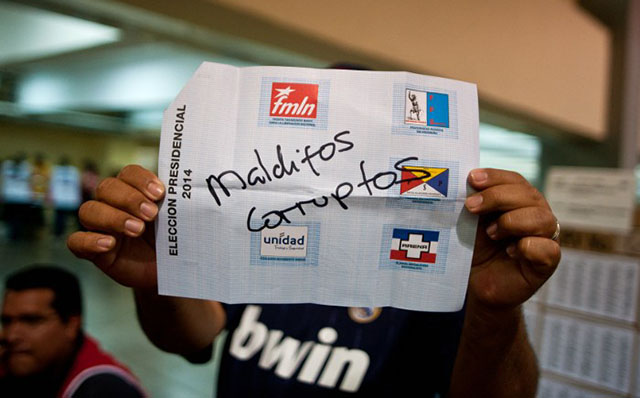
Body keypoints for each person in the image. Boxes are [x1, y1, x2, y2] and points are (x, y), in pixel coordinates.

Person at [68, 164, 560, 397]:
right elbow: (195, 336)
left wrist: (496, 311)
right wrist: (160, 278)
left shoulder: (431, 266)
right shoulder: (266, 235)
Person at [0, 265, 146, 397]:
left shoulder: (106, 389)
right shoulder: (16, 369)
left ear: (71, 325)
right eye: (6, 321)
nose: (11, 336)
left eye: (31, 321)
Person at [49, 157, 81, 237]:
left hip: (62, 198)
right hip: (66, 198)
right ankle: (60, 233)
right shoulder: (73, 171)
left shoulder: (58, 170)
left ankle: (59, 233)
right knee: (61, 218)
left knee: (60, 218)